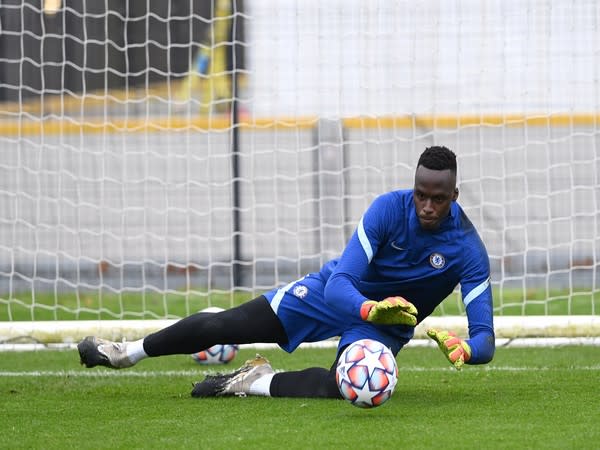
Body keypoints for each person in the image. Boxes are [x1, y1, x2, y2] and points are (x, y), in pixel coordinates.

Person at [78, 145, 495, 399]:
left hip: (384, 329)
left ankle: (254, 381)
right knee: (231, 323)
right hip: (341, 296)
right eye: (420, 194)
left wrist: (467, 351)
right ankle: (126, 352)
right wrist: (370, 308)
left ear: (454, 196)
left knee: (347, 386)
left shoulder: (469, 252)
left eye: (437, 199)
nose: (425, 205)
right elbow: (338, 286)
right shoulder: (388, 208)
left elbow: (485, 340)